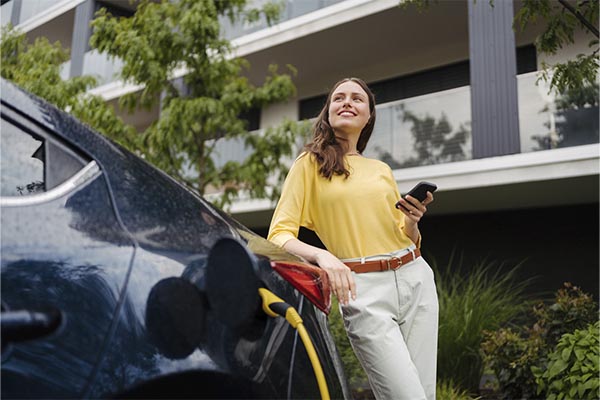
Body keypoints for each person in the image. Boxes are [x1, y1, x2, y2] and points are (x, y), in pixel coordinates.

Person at [267, 77, 438, 400]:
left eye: (357, 98)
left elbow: (402, 235)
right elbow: (279, 235)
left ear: (369, 115)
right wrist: (323, 256)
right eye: (339, 98)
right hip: (364, 291)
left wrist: (412, 221)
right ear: (328, 112)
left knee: (424, 395)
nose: (347, 102)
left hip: (416, 279)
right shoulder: (309, 165)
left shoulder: (380, 169)